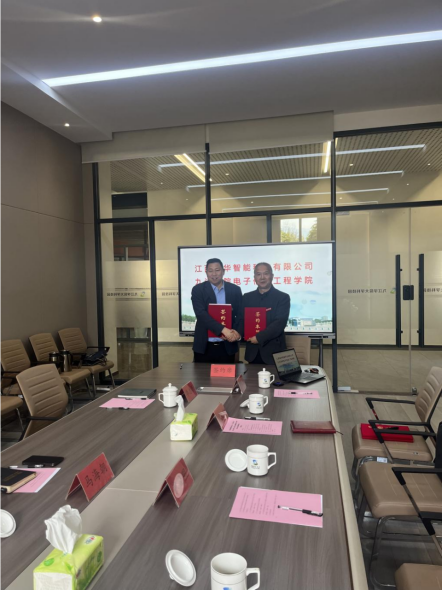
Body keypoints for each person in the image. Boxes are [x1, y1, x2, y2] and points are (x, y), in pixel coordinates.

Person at [192, 258, 243, 363]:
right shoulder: (198, 290)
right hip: (204, 345)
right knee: (202, 374)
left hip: (227, 345)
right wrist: (223, 330)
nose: (214, 274)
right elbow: (201, 315)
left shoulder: (235, 290)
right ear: (206, 272)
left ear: (223, 271)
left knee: (227, 374)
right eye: (210, 271)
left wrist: (236, 333)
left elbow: (240, 315)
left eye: (217, 270)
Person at [243, 262, 290, 365]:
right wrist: (236, 333)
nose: (262, 277)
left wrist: (259, 338)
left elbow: (279, 323)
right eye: (258, 274)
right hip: (253, 352)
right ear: (254, 277)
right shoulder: (247, 297)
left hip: (274, 353)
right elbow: (242, 320)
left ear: (272, 276)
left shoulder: (282, 297)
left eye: (266, 273)